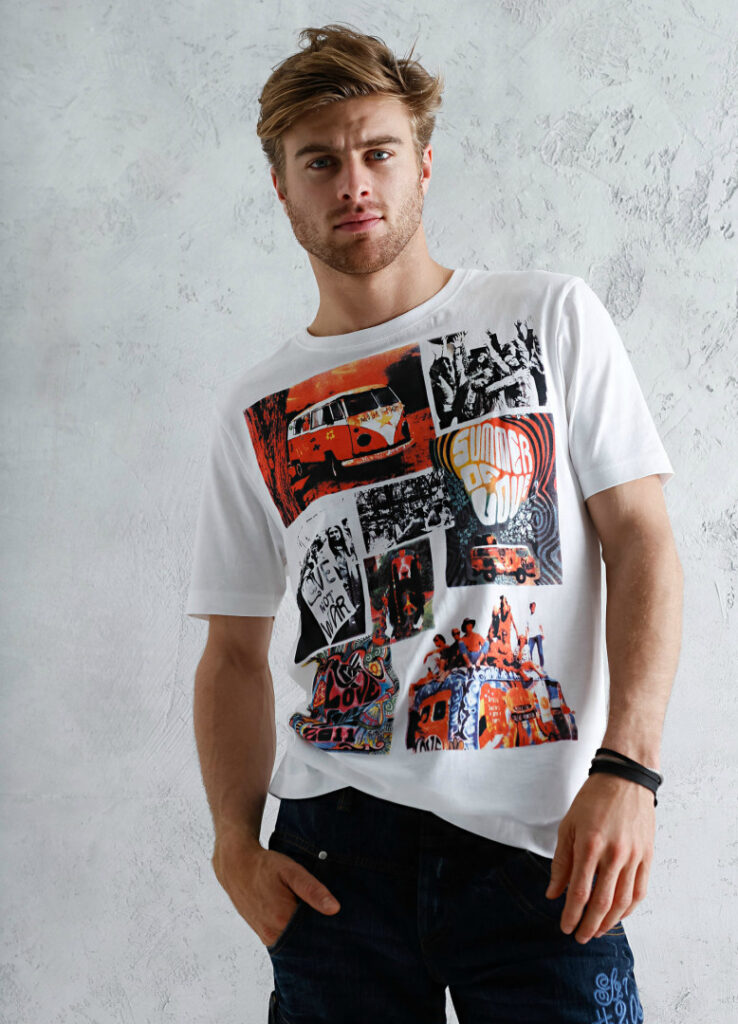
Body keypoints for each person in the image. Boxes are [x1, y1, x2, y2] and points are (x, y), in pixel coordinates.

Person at [185, 23, 683, 1023]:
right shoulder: (257, 409)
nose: (353, 183)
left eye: (377, 151)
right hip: (335, 856)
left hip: (540, 845)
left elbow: (642, 540)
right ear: (281, 187)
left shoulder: (547, 317)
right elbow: (233, 653)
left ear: (422, 163)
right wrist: (234, 844)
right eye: (319, 161)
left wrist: (630, 770)